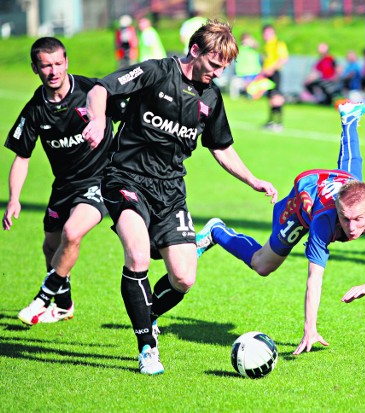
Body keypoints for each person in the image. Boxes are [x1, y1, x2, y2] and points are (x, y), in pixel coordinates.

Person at [82, 20, 278, 375]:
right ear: (195, 51)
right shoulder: (157, 72)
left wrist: (252, 180)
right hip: (126, 179)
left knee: (184, 279)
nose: (218, 72)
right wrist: (97, 120)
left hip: (170, 191)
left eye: (224, 67)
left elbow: (222, 147)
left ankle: (148, 313)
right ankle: (147, 348)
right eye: (215, 64)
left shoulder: (211, 98)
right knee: (138, 255)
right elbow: (100, 89)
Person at [196, 102, 365, 355]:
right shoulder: (324, 220)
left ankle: (350, 119)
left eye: (358, 220)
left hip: (338, 187)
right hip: (301, 208)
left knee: (352, 174)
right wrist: (309, 328)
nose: (351, 227)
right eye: (345, 219)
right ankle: (217, 231)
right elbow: (315, 277)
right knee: (262, 265)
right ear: (337, 208)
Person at [3, 37, 121, 325]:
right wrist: (14, 198)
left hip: (101, 179)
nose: (54, 71)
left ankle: (43, 299)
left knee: (71, 234)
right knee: (50, 246)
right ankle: (64, 305)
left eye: (58, 64)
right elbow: (22, 156)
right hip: (64, 185)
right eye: (46, 66)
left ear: (66, 62)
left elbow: (130, 115)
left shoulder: (92, 92)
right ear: (35, 68)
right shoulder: (35, 108)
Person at [261, 24, 288, 131]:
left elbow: (283, 59)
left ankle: (278, 122)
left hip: (275, 73)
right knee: (270, 97)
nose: (266, 35)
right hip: (267, 74)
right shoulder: (266, 45)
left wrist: (272, 68)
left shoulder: (278, 44)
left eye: (268, 33)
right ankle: (271, 120)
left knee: (276, 97)